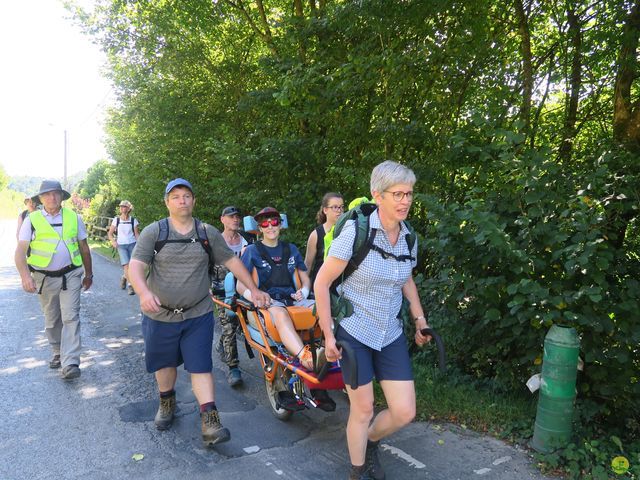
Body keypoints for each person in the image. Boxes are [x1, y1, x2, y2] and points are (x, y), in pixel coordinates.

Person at [128, 178, 270, 448]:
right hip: (161, 315)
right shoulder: (154, 232)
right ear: (167, 202)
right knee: (165, 365)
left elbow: (231, 261)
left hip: (198, 314)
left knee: (201, 366)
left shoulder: (207, 232)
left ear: (193, 201)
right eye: (176, 196)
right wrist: (145, 293)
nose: (182, 200)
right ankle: (167, 401)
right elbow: (136, 266)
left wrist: (253, 288)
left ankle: (210, 420)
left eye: (186, 196)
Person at [314, 161, 432, 480]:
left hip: (389, 332)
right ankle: (357, 470)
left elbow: (406, 280)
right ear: (377, 196)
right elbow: (322, 283)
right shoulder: (356, 231)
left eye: (409, 193)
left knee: (405, 411)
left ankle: (370, 442)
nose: (405, 200)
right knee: (363, 408)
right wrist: (328, 335)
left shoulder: (409, 238)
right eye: (398, 194)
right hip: (354, 331)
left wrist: (419, 319)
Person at [14, 180, 93, 380]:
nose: (52, 198)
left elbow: (84, 247)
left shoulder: (74, 217)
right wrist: (25, 277)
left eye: (56, 194)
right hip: (44, 278)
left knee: (71, 316)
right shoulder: (31, 220)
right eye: (47, 194)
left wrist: (89, 274)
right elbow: (20, 251)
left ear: (62, 196)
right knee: (52, 317)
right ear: (40, 198)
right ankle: (57, 351)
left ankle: (71, 362)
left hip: (71, 274)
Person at [236, 207, 317, 369]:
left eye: (274, 222)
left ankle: (332, 351)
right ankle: (306, 358)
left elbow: (305, 279)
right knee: (281, 314)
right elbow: (239, 285)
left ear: (280, 225)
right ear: (259, 228)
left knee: (322, 309)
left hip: (294, 299)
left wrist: (305, 291)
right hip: (270, 302)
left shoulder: (291, 249)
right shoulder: (251, 251)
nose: (270, 226)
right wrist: (255, 296)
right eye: (265, 224)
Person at [213, 205, 250, 387]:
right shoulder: (215, 242)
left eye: (237, 216)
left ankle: (223, 344)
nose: (235, 219)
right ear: (223, 220)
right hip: (221, 292)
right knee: (229, 325)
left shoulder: (247, 241)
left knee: (241, 324)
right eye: (231, 217)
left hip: (244, 291)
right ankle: (233, 368)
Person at [304, 193, 344, 288]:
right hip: (320, 287)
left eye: (342, 207)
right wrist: (303, 289)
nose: (339, 211)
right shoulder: (316, 235)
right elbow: (307, 265)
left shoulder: (347, 231)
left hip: (341, 287)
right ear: (325, 210)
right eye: (335, 207)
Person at [107, 200, 140, 295]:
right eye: (121, 206)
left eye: (124, 206)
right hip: (121, 245)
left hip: (132, 244)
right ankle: (130, 286)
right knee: (126, 265)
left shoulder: (133, 220)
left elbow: (137, 234)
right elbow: (110, 233)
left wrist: (140, 244)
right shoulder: (116, 220)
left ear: (129, 208)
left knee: (133, 266)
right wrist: (113, 241)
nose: (122, 208)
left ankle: (124, 277)